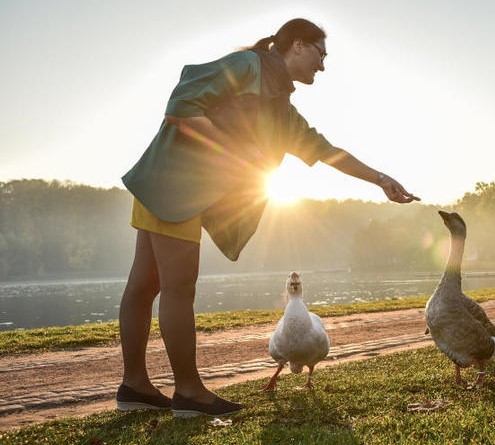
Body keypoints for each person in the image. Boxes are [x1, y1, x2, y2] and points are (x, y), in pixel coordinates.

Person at [116, 18, 419, 418]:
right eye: (320, 54)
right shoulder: (248, 67)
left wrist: (380, 179)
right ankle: (188, 392)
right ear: (296, 45)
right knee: (177, 286)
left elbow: (326, 150)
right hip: (174, 182)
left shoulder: (280, 109)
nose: (323, 66)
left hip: (168, 183)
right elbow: (181, 106)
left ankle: (135, 386)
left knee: (145, 284)